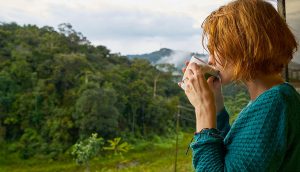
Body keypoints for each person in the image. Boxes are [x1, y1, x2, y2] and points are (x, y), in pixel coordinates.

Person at [178, 0, 300, 171]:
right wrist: (216, 105)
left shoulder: (275, 103)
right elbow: (233, 155)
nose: (211, 60)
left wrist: (203, 109)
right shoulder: (271, 99)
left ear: (241, 45)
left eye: (215, 49)